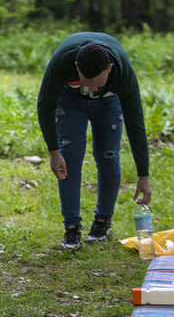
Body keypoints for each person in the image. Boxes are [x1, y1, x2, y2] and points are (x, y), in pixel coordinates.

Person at [37, 32, 151, 250]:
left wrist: (143, 174)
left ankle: (102, 223)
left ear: (109, 68)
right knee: (68, 159)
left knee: (108, 155)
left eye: (96, 84)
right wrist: (53, 151)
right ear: (77, 66)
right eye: (85, 82)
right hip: (70, 99)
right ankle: (72, 229)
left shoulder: (123, 72)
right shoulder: (62, 62)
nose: (90, 90)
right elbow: (44, 105)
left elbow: (136, 121)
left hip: (109, 103)